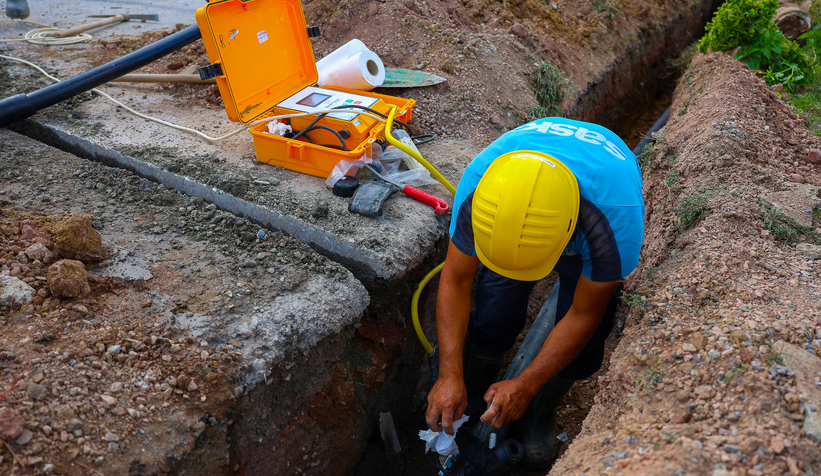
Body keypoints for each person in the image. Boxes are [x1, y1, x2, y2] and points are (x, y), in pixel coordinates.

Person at [425, 117, 645, 469]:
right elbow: (456, 279)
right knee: (494, 306)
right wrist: (450, 374)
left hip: (596, 197)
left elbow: (583, 313)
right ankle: (477, 391)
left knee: (589, 334)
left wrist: (527, 384)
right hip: (519, 202)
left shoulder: (615, 222)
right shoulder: (481, 190)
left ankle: (543, 407)